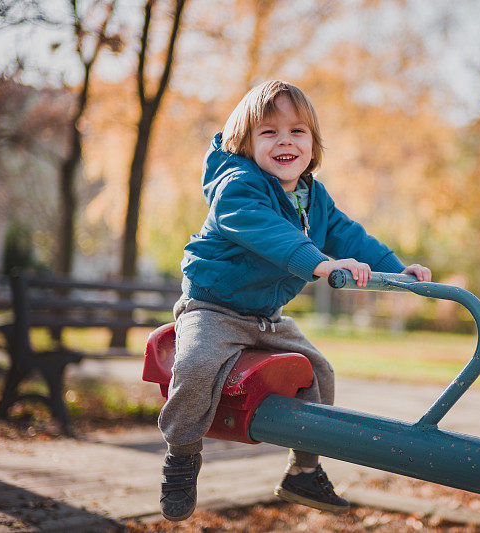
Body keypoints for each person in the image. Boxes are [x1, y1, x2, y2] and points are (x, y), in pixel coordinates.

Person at [158, 79, 432, 522]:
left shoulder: (312, 196)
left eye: (297, 131)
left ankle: (304, 470)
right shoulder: (237, 187)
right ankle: (182, 456)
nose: (285, 140)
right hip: (213, 309)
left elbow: (349, 234)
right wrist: (321, 263)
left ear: (313, 144)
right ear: (244, 142)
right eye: (269, 132)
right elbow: (273, 235)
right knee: (195, 366)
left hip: (266, 317)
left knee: (318, 373)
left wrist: (396, 269)